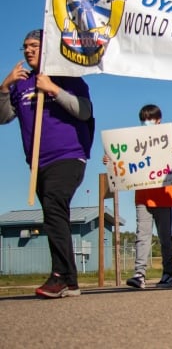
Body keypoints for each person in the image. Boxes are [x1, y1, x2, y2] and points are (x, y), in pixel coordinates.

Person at [0, 29, 94, 298]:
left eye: (34, 45)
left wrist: (52, 88)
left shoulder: (68, 75)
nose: (28, 50)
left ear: (48, 47)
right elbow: (3, 117)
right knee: (55, 215)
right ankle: (71, 281)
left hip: (68, 156)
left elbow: (84, 111)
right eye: (25, 47)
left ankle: (60, 275)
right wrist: (4, 88)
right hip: (38, 163)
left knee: (54, 205)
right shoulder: (21, 84)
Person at [117, 104, 172, 289]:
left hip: (164, 197)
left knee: (165, 237)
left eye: (150, 118)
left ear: (159, 119)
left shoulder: (168, 141)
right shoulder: (134, 142)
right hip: (142, 196)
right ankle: (139, 274)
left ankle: (168, 273)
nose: (146, 122)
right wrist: (111, 160)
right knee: (142, 236)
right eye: (144, 119)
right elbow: (122, 161)